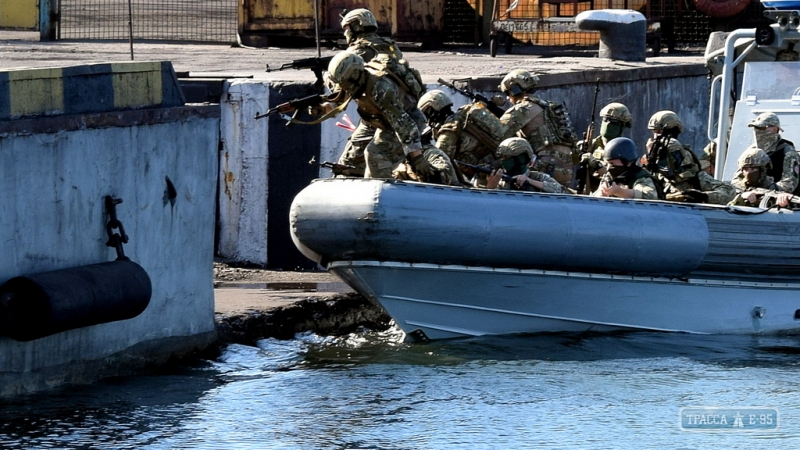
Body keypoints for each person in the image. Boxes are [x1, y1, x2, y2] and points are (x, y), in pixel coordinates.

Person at [325, 51, 454, 184]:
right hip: (374, 119)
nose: (344, 88)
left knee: (375, 155)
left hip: (403, 121)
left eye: (346, 83)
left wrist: (417, 158)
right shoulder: (351, 81)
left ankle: (381, 192)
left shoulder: (381, 88)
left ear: (356, 75)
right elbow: (342, 92)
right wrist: (327, 106)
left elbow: (403, 124)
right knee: (350, 157)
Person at [334, 8, 425, 178]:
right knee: (349, 160)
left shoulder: (354, 54)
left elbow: (342, 88)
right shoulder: (389, 46)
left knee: (373, 156)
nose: (345, 32)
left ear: (355, 27)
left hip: (393, 116)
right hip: (376, 115)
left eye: (346, 28)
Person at [498, 69, 577, 187]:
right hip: (567, 169)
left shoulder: (524, 108)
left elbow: (499, 133)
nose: (508, 99)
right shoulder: (547, 105)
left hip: (545, 166)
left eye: (508, 93)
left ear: (515, 90)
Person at [643, 110, 735, 204]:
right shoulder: (650, 174)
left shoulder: (695, 177)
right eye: (654, 132)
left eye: (658, 132)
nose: (654, 138)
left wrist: (703, 197)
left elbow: (729, 192)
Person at [417, 89, 504, 185]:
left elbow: (440, 161)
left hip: (487, 175)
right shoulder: (464, 114)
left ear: (431, 111)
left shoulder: (449, 131)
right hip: (499, 162)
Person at [575, 102, 633, 194]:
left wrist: (595, 164)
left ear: (623, 126)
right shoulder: (591, 145)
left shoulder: (626, 150)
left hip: (611, 196)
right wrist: (576, 152)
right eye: (605, 119)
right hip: (586, 195)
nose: (608, 124)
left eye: (614, 122)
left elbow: (620, 178)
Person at [486, 138, 567, 193]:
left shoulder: (537, 177)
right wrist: (490, 188)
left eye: (507, 157)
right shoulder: (497, 180)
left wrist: (530, 181)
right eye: (502, 158)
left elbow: (562, 191)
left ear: (521, 159)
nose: (503, 161)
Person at [746, 112, 800, 194]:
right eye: (756, 128)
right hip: (752, 199)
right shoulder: (752, 151)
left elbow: (789, 184)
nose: (757, 131)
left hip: (780, 202)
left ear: (775, 129)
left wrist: (762, 191)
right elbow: (737, 179)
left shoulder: (788, 152)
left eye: (762, 128)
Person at [592, 137, 660, 200]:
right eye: (608, 163)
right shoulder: (609, 177)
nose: (609, 167)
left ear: (628, 162)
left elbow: (650, 196)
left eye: (612, 163)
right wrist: (601, 194)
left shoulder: (641, 178)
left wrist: (618, 191)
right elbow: (593, 197)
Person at [728, 147, 795, 207]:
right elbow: (726, 209)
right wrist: (741, 198)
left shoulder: (774, 189)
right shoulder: (734, 189)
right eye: (746, 169)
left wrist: (782, 204)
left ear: (763, 169)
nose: (748, 172)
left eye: (753, 169)